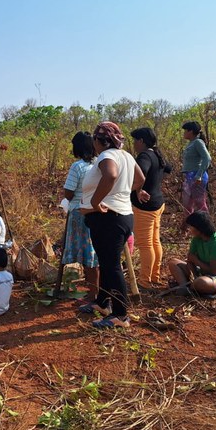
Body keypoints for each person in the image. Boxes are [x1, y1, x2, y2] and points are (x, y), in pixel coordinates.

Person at [79, 122, 145, 329]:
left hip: (108, 218)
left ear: (99, 141)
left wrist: (96, 202)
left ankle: (120, 315)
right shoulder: (126, 156)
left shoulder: (107, 156)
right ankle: (102, 303)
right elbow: (140, 178)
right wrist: (122, 192)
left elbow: (111, 175)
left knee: (111, 265)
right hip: (122, 215)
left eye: (94, 141)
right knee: (108, 261)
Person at [130, 127, 172, 291]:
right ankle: (154, 276)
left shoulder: (145, 156)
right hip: (158, 203)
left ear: (141, 141)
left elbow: (141, 173)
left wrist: (139, 190)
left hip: (145, 207)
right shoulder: (156, 154)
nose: (133, 144)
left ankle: (145, 281)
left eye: (134, 140)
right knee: (154, 241)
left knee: (146, 244)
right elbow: (169, 168)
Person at [62, 132, 98, 304]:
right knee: (95, 254)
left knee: (87, 256)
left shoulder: (77, 167)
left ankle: (92, 295)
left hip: (80, 213)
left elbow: (68, 193)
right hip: (98, 211)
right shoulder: (100, 163)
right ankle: (97, 292)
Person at [167, 211, 216, 298]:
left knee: (201, 283)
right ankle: (185, 287)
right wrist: (194, 273)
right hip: (202, 274)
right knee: (173, 262)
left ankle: (192, 287)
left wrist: (196, 261)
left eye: (191, 227)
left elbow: (214, 272)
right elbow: (190, 260)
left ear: (199, 229)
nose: (189, 229)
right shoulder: (197, 239)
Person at [181, 121, 211, 222]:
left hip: (196, 176)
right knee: (187, 204)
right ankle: (191, 228)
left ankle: (207, 227)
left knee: (200, 204)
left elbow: (207, 158)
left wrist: (199, 175)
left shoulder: (198, 142)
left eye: (186, 130)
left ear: (191, 131)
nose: (184, 132)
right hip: (189, 176)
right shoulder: (191, 143)